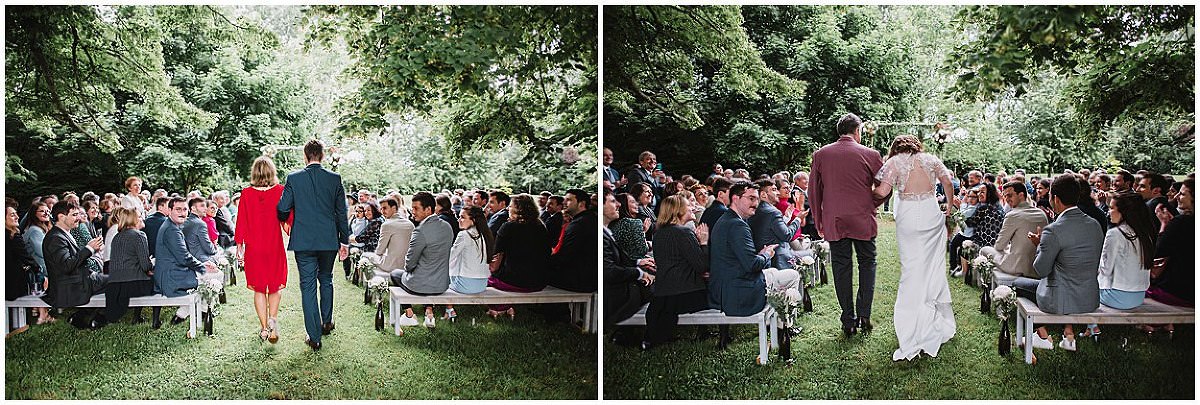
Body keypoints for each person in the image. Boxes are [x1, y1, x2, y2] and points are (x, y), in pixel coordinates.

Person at [871, 135, 957, 360]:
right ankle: (929, 313)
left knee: (911, 268)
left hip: (908, 215)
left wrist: (863, 193)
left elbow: (881, 193)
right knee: (931, 265)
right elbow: (947, 181)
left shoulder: (893, 163)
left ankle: (912, 321)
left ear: (896, 148)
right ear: (916, 146)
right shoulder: (930, 159)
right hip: (930, 213)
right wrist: (948, 205)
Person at [809, 113, 885, 337]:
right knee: (867, 264)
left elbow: (814, 191)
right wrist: (872, 202)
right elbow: (885, 186)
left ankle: (848, 321)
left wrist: (819, 219)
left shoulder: (821, 154)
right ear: (857, 131)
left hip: (835, 219)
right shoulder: (871, 154)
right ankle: (864, 315)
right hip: (862, 218)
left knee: (841, 268)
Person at [1013, 175, 1103, 354]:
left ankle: (1042, 335)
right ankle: (1061, 334)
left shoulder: (1053, 230)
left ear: (1055, 199)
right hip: (1089, 298)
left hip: (1059, 299)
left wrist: (1040, 246)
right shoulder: (1094, 225)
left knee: (1017, 284)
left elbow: (1041, 269)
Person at [277, 139, 351, 351]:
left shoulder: (294, 178)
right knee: (326, 279)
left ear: (305, 155)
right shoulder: (335, 179)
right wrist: (344, 240)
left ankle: (314, 337)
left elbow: (282, 207)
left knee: (307, 286)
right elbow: (341, 213)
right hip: (328, 239)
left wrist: (288, 219)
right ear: (323, 155)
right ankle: (326, 322)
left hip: (304, 240)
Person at [709, 182, 801, 321]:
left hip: (726, 287)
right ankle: (785, 326)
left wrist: (761, 255)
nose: (756, 203)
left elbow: (739, 258)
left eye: (757, 199)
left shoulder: (726, 219)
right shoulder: (738, 225)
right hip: (738, 292)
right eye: (751, 198)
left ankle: (780, 322)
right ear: (735, 198)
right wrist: (766, 255)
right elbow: (752, 265)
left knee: (774, 272)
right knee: (793, 275)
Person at [1079, 192, 1158, 337]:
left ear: (1124, 212)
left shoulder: (1115, 234)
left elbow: (1105, 270)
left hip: (1117, 297)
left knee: (1083, 285)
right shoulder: (1145, 233)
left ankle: (1091, 327)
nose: (1109, 212)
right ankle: (1091, 327)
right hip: (1139, 295)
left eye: (1111, 208)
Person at [642, 195, 710, 349]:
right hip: (687, 295)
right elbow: (702, 266)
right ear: (678, 211)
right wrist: (704, 242)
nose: (692, 207)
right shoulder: (684, 233)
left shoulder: (658, 234)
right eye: (688, 205)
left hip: (663, 296)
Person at [235, 156, 289, 344]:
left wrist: (239, 248)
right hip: (274, 246)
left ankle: (264, 328)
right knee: (274, 287)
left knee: (259, 289)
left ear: (254, 173)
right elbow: (287, 219)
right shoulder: (280, 191)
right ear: (272, 172)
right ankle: (273, 320)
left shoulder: (246, 194)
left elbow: (241, 222)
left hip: (254, 248)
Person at [155, 197, 221, 333]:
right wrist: (203, 266)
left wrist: (203, 263)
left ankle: (183, 313)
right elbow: (184, 258)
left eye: (184, 209)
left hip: (175, 271)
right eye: (178, 209)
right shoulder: (172, 230)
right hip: (171, 277)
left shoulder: (173, 226)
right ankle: (203, 311)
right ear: (169, 210)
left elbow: (183, 255)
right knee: (215, 276)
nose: (182, 213)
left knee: (212, 275)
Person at [390, 192, 452, 330]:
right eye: (412, 208)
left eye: (416, 208)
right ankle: (428, 312)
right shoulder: (447, 227)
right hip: (442, 284)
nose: (413, 212)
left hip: (422, 284)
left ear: (428, 209)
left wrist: (412, 269)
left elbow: (409, 264)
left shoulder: (420, 231)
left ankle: (409, 314)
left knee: (395, 274)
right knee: (422, 279)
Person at [41, 202, 108, 329]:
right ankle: (100, 318)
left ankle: (80, 316)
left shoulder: (63, 233)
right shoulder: (55, 238)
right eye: (74, 215)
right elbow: (67, 266)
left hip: (78, 280)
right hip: (71, 287)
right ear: (61, 217)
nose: (79, 217)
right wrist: (89, 248)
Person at [487, 194, 550, 319]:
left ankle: (499, 308)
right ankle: (505, 307)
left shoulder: (508, 227)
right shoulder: (541, 227)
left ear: (518, 210)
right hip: (539, 281)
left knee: (486, 280)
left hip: (515, 281)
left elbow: (495, 259)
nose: (508, 209)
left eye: (510, 206)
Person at [602, 192, 655, 340]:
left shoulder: (610, 227)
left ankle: (627, 332)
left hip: (621, 276)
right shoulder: (633, 223)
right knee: (658, 287)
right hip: (615, 292)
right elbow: (610, 271)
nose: (618, 204)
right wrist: (639, 273)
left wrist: (637, 263)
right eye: (613, 201)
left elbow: (618, 257)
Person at [98, 207, 155, 329]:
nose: (142, 218)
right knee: (160, 280)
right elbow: (145, 265)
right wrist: (153, 265)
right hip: (133, 285)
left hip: (115, 286)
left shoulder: (117, 237)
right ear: (133, 219)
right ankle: (155, 320)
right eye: (139, 216)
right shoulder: (139, 235)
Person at [1146, 177, 1194, 317]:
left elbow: (1158, 252)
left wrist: (1164, 225)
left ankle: (1150, 324)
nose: (1177, 196)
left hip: (1181, 292)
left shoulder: (1182, 222)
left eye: (1183, 194)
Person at [443, 206, 495, 320]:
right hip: (482, 284)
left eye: (462, 217)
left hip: (466, 285)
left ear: (473, 220)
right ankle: (449, 311)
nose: (458, 220)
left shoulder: (464, 235)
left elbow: (449, 258)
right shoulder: (485, 235)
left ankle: (449, 311)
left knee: (442, 278)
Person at [992, 181, 1049, 281]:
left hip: (1018, 267)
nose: (1007, 199)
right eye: (1005, 196)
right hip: (1038, 267)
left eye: (1010, 195)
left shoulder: (1012, 215)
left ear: (1021, 195)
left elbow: (999, 246)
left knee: (985, 250)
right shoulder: (1041, 213)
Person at [548, 189, 598, 294]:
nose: (564, 203)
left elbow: (565, 256)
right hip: (587, 278)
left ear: (581, 204)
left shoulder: (579, 224)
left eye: (569, 200)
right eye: (564, 200)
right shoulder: (590, 219)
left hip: (578, 280)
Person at [749, 178, 800, 269]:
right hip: (778, 259)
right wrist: (797, 220)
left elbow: (769, 229)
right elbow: (787, 235)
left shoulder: (755, 209)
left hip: (764, 257)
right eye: (773, 190)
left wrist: (786, 218)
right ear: (763, 195)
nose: (778, 193)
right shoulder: (772, 212)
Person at [7, 205, 39, 333]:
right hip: (11, 287)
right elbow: (27, 258)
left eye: (16, 214)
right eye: (12, 215)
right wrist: (39, 271)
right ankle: (18, 325)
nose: (17, 217)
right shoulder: (12, 236)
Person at [21, 201, 53, 324]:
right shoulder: (34, 230)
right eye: (42, 211)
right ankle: (43, 315)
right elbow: (42, 252)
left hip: (41, 265)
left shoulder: (42, 228)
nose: (46, 213)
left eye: (48, 211)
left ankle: (43, 313)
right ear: (34, 214)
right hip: (39, 267)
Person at [368, 196, 414, 279]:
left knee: (366, 256)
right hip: (407, 265)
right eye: (381, 209)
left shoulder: (387, 225)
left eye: (385, 208)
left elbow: (379, 251)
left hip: (391, 266)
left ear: (394, 208)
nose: (382, 211)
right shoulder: (410, 224)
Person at [610, 193, 649, 260]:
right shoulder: (635, 222)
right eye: (632, 202)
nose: (637, 204)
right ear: (623, 204)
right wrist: (643, 233)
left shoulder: (611, 224)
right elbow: (642, 251)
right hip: (634, 265)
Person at [965, 183, 1004, 248]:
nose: (978, 194)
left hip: (985, 244)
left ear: (989, 194)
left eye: (982, 192)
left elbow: (970, 223)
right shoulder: (997, 205)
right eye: (978, 192)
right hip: (997, 243)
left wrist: (961, 205)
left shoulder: (984, 208)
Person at [184, 197, 217, 263]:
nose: (205, 208)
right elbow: (209, 248)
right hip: (200, 259)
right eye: (202, 206)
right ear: (193, 208)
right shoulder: (200, 224)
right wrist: (215, 250)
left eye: (205, 206)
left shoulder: (185, 221)